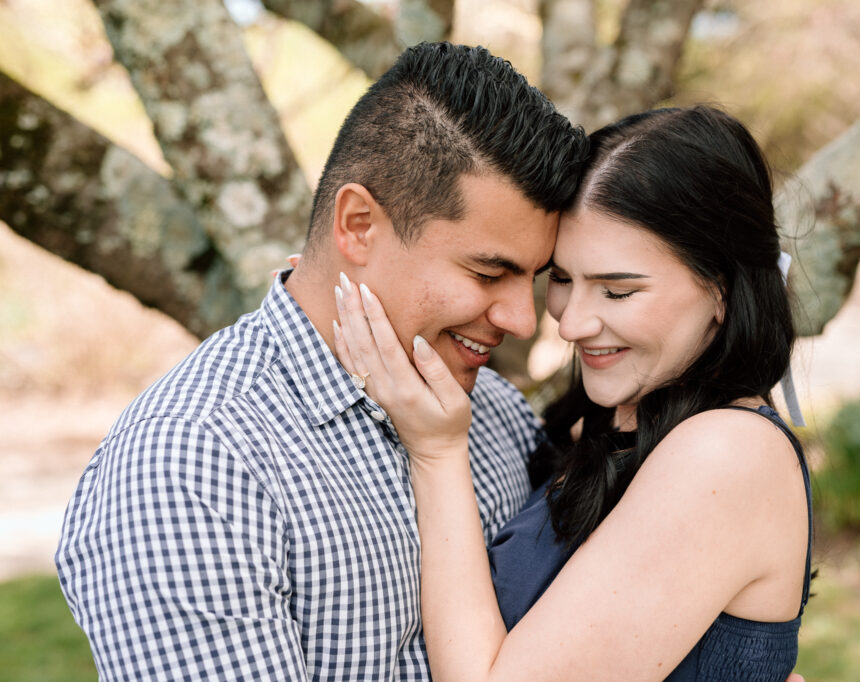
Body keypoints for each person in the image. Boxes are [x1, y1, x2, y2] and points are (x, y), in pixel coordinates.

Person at [55, 42, 588, 680]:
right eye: (488, 272)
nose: (523, 320)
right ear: (358, 224)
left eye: (531, 279)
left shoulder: (495, 413)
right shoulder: (193, 466)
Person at [332, 105, 813, 680]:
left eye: (616, 291)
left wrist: (436, 453)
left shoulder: (726, 455)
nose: (570, 321)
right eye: (561, 279)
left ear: (720, 292)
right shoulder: (621, 423)